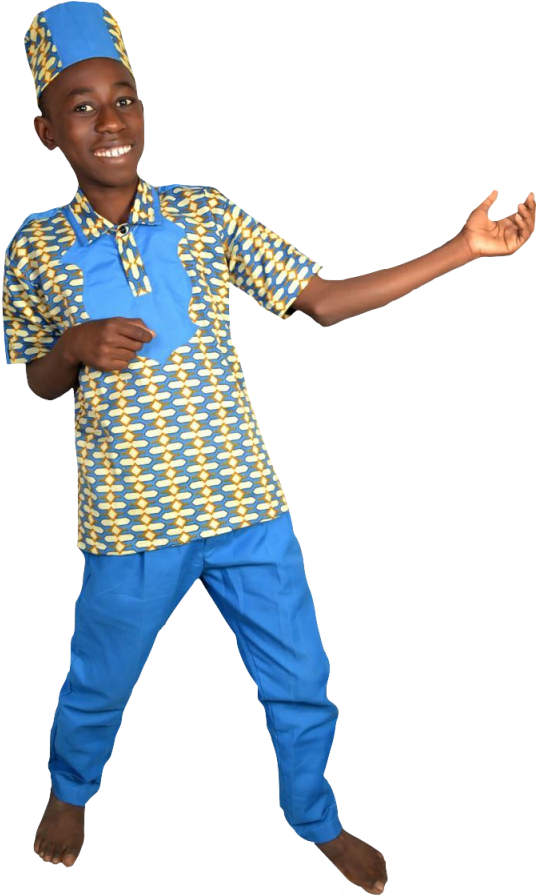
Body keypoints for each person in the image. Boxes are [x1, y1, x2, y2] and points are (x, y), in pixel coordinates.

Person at [5, 1, 534, 886]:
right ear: (46, 130)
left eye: (124, 98)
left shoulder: (205, 214)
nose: (110, 121)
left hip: (246, 505)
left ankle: (314, 817)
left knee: (299, 674)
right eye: (81, 106)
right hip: (131, 523)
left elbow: (321, 302)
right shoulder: (35, 246)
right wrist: (71, 349)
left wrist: (460, 249)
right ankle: (70, 789)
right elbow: (35, 379)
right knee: (99, 675)